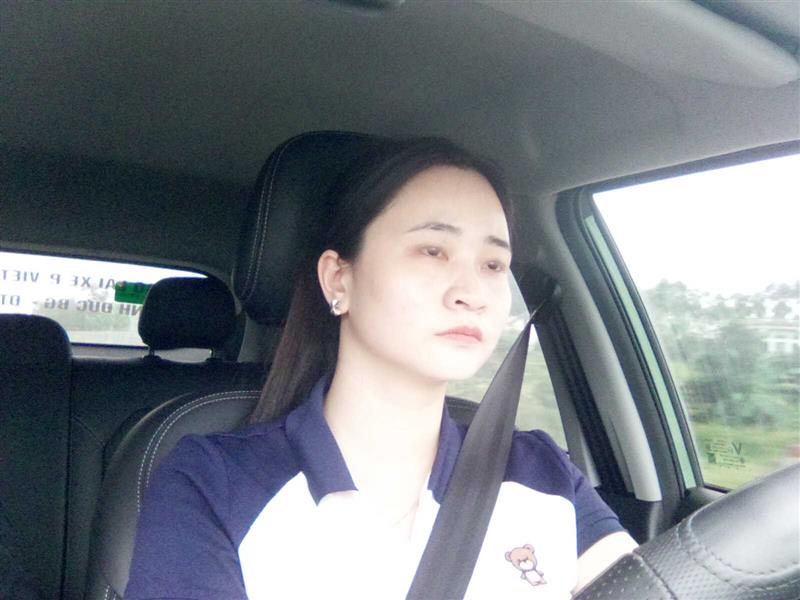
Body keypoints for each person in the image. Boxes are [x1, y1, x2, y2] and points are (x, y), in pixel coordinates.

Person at [125, 138, 637, 599]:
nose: (472, 292)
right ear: (338, 280)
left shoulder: (543, 472)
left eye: (492, 265)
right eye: (433, 251)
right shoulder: (214, 482)